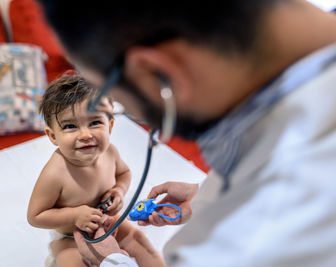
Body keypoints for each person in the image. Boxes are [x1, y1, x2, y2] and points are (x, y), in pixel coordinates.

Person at [37, 1, 336, 266]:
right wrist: (205, 193)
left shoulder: (246, 243)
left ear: (160, 73)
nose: (127, 111)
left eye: (115, 100)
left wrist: (112, 262)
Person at [27, 74, 164, 267]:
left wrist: (118, 191)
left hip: (108, 222)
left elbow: (124, 174)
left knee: (140, 241)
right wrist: (74, 216)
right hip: (70, 236)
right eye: (70, 126)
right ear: (52, 136)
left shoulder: (110, 152)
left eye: (95, 123)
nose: (85, 134)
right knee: (71, 262)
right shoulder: (55, 173)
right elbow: (35, 216)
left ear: (110, 125)